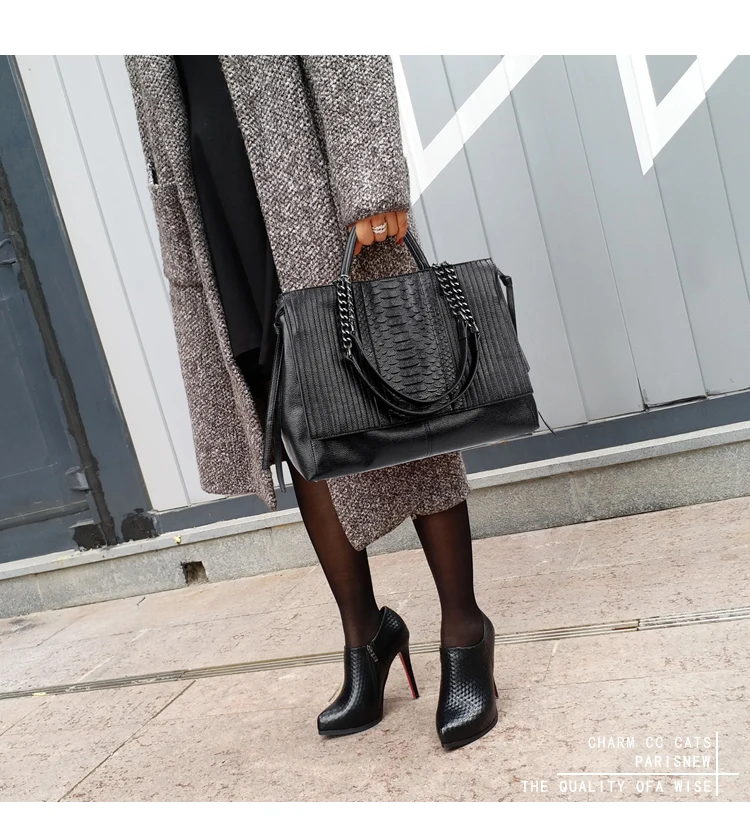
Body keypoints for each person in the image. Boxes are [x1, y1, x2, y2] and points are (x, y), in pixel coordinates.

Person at [126, 55, 497, 749]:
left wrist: (370, 175)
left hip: (303, 163)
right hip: (212, 192)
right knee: (289, 408)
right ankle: (366, 636)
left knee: (398, 397)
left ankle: (465, 629)